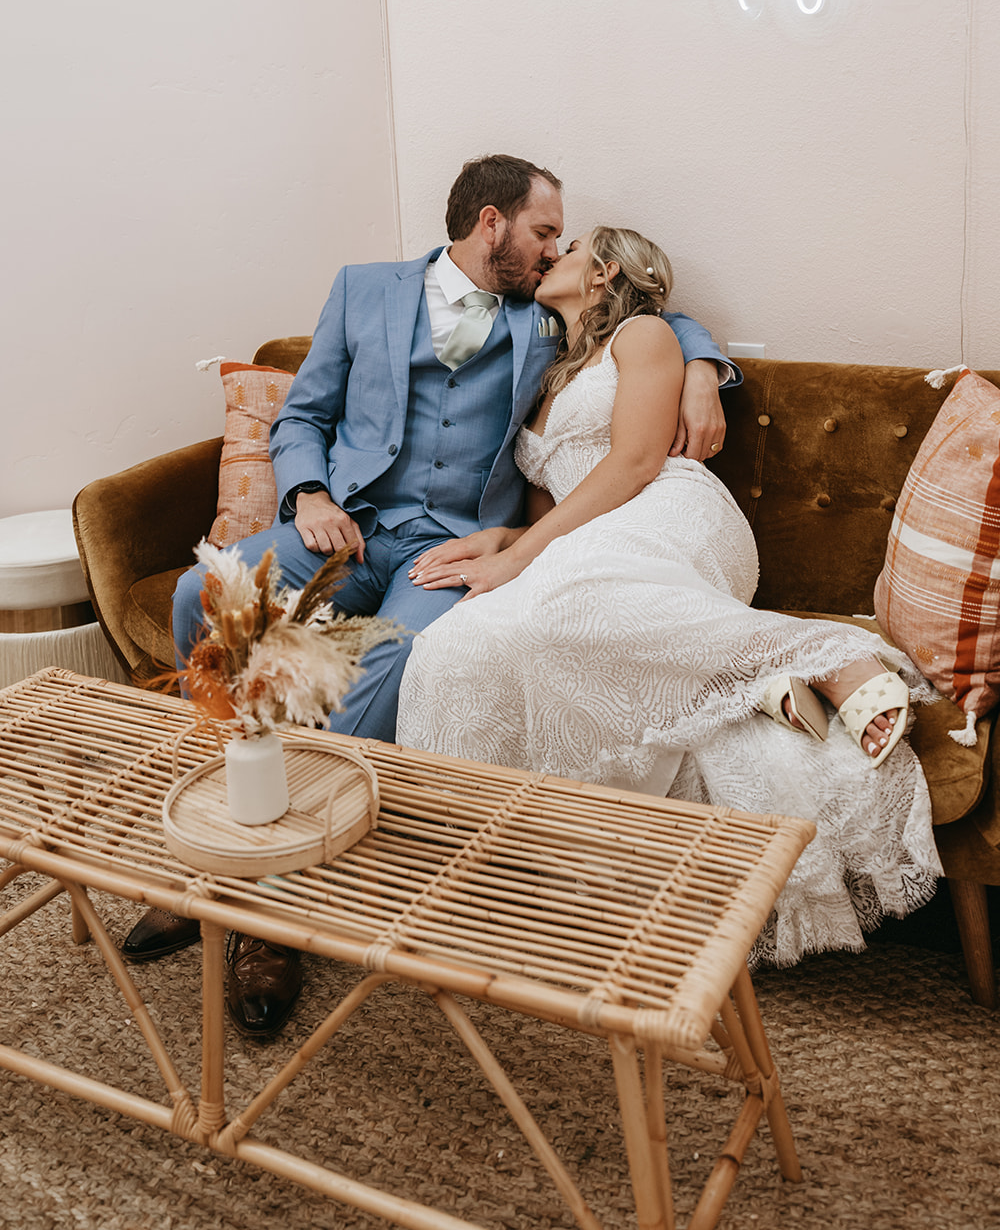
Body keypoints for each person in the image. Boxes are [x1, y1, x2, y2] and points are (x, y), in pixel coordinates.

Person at [122, 156, 739, 1032]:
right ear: (489, 223)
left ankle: (270, 904)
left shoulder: (540, 310)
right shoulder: (363, 288)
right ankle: (236, 822)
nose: (553, 246)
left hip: (444, 551)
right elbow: (302, 416)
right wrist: (310, 497)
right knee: (201, 593)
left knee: (402, 656)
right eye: (540, 231)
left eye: (561, 240)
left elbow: (649, 312)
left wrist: (707, 365)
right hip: (345, 527)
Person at [396, 226, 941, 966]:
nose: (552, 250)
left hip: (663, 507)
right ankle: (495, 888)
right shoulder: (551, 366)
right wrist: (508, 543)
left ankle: (826, 654)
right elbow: (542, 505)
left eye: (571, 243)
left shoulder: (643, 334)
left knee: (566, 601)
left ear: (606, 271)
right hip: (587, 535)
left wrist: (523, 555)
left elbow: (635, 459)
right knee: (456, 646)